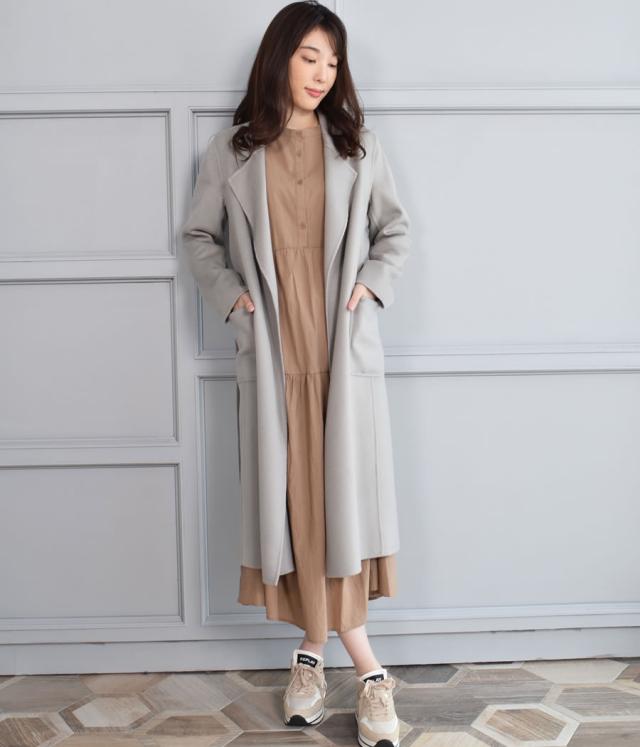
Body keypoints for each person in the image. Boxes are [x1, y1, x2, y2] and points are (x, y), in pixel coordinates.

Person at [181, 3, 410, 745]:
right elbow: (198, 236)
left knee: (339, 511)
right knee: (300, 510)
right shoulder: (232, 152)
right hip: (274, 354)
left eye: (333, 62)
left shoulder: (358, 146)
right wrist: (233, 299)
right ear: (279, 55)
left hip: (342, 356)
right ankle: (356, 671)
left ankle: (326, 660)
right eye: (310, 56)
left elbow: (395, 231)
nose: (322, 74)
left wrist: (371, 283)